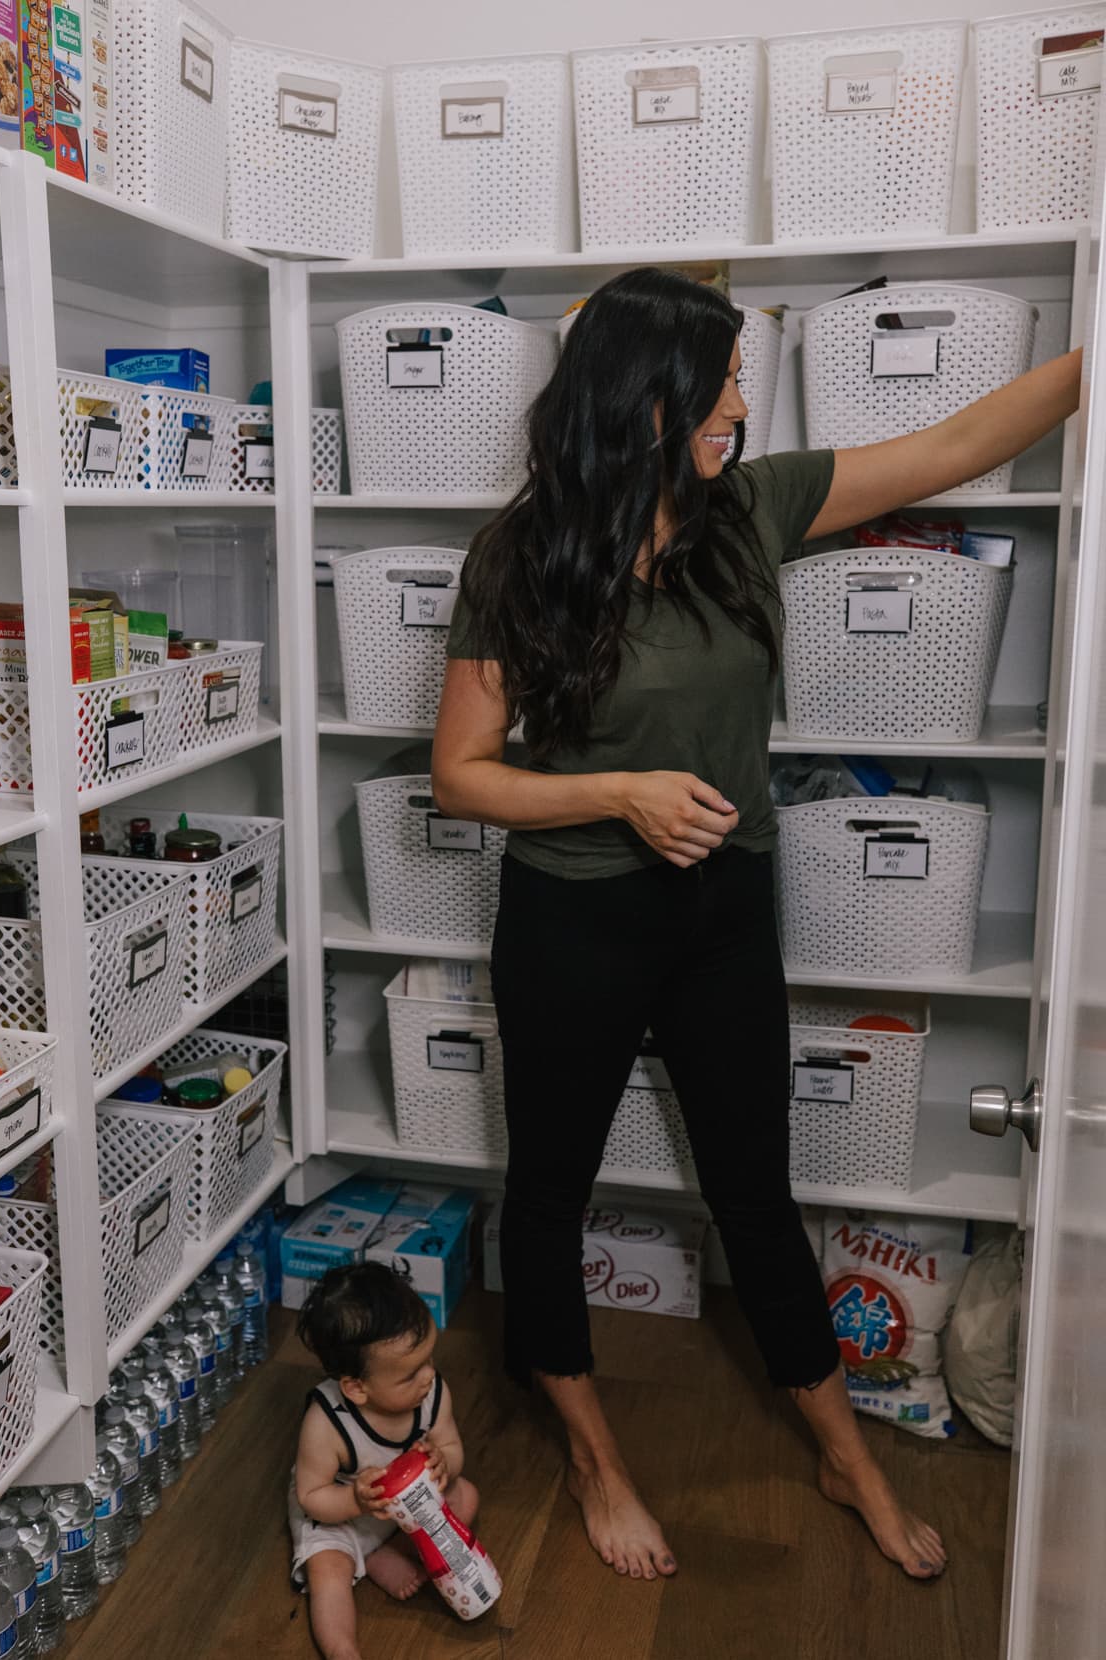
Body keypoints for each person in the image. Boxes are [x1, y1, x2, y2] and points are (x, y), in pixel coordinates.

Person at [431, 267, 1080, 1586]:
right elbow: (461, 772)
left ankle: (842, 1451)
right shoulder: (522, 551)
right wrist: (616, 791)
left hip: (726, 904)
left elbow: (955, 443)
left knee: (754, 1190)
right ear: (653, 395)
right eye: (724, 375)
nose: (742, 396)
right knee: (550, 1190)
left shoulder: (750, 510)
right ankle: (595, 1457)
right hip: (570, 915)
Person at [289, 1261, 479, 1660]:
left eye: (430, 1358)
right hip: (340, 1512)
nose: (428, 1376)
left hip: (406, 1510)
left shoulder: (433, 1394)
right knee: (327, 1570)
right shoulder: (326, 1423)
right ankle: (343, 1649)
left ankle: (395, 1555)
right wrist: (355, 1502)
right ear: (356, 1388)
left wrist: (444, 1463)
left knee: (466, 1496)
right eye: (411, 1374)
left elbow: (453, 1448)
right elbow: (310, 1496)